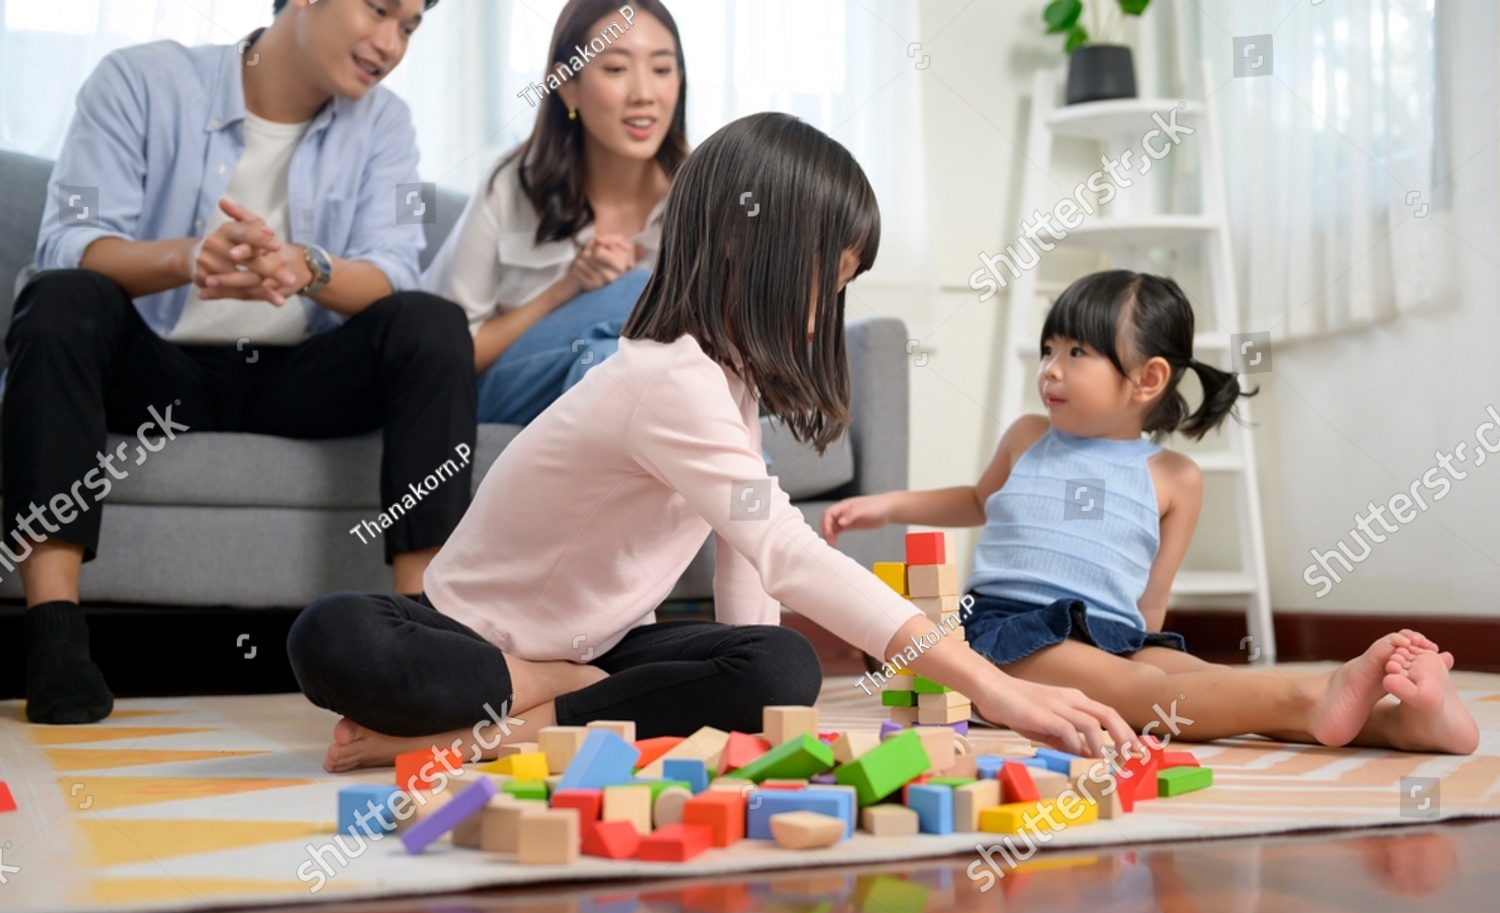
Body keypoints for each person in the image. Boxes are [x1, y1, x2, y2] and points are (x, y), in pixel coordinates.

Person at [288, 112, 1137, 773]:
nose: (821, 313)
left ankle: (500, 730)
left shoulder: (729, 384)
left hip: (600, 648)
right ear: (745, 244)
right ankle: (554, 697)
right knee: (334, 638)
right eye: (822, 280)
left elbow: (748, 563)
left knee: (778, 667)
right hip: (472, 638)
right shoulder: (668, 381)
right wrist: (993, 690)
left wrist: (758, 723)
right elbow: (789, 554)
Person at [1, 0, 476, 725]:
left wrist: (307, 266)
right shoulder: (138, 80)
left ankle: (418, 635)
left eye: (410, 26)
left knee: (433, 324)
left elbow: (393, 274)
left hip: (300, 381)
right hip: (159, 371)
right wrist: (188, 257)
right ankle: (55, 639)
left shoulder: (387, 123)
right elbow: (69, 240)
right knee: (60, 298)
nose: (391, 43)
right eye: (380, 11)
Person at [823, 270, 1478, 755]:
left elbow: (1153, 601)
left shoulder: (1174, 477)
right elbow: (973, 501)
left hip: (1114, 628)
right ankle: (1314, 694)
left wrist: (1148, 653)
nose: (1051, 370)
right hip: (1013, 628)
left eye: (1076, 353)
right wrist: (884, 505)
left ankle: (1404, 724)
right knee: (1136, 697)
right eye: (1049, 350)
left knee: (1194, 680)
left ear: (1148, 379)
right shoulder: (1027, 437)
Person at [422, 0, 687, 425]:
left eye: (661, 69)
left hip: (617, 389)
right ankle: (747, 485)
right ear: (567, 86)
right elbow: (446, 354)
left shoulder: (701, 195)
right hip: (507, 389)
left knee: (607, 360)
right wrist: (570, 288)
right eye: (616, 69)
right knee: (640, 292)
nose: (644, 94)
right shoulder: (512, 185)